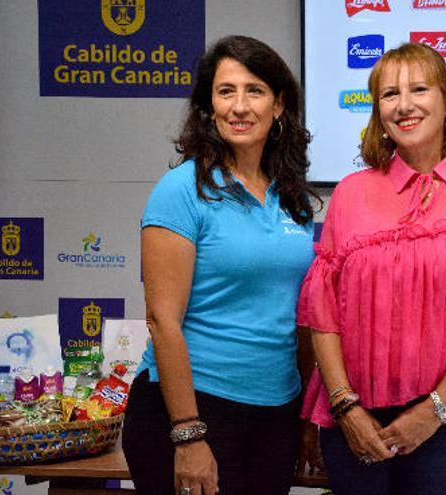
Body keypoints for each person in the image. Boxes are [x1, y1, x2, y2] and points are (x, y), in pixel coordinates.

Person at [298, 43, 446, 495]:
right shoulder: (350, 192)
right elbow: (324, 313)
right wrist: (346, 407)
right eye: (389, 94)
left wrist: (432, 412)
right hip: (353, 416)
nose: (404, 105)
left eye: (419, 89)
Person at [122, 35, 318, 495]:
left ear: (279, 105)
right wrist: (189, 434)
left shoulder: (293, 200)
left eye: (255, 90)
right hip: (194, 412)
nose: (240, 106)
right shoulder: (182, 190)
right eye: (226, 91)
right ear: (209, 107)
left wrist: (308, 417)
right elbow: (162, 321)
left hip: (277, 411)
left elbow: (302, 319)